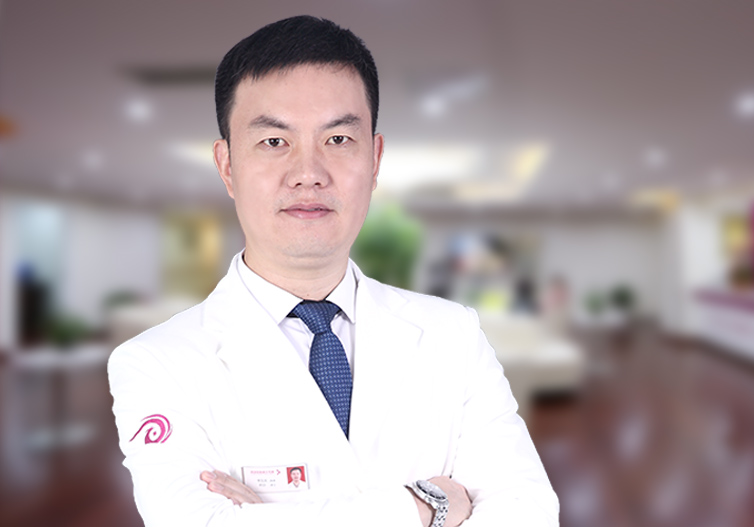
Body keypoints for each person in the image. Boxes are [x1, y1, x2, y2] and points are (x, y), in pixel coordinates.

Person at [108, 15, 558, 527]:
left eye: (339, 139)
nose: (308, 174)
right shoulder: (155, 363)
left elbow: (528, 511)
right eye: (274, 142)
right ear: (227, 166)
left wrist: (274, 517)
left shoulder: (454, 334)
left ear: (375, 158)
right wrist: (428, 504)